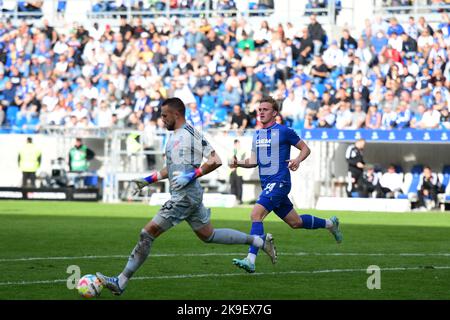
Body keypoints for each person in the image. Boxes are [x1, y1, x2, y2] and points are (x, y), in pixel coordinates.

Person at [96, 98, 276, 295]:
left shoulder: (190, 133)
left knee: (146, 233)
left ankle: (121, 281)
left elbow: (215, 160)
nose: (162, 119)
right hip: (186, 195)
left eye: (164, 115)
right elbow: (171, 168)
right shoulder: (172, 137)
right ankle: (260, 241)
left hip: (184, 197)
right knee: (209, 235)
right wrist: (147, 180)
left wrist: (192, 174)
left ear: (176, 114)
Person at [230, 96, 342, 273]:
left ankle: (251, 259)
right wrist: (239, 163)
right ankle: (330, 224)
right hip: (268, 184)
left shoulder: (284, 131)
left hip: (280, 181)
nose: (261, 113)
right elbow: (253, 161)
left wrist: (297, 160)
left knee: (256, 214)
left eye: (265, 110)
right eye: (259, 110)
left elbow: (305, 148)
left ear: (274, 113)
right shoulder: (257, 134)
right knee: (295, 222)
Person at [229, 139, 245, 204]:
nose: (238, 145)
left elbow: (240, 160)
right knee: (232, 185)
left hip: (239, 171)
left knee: (239, 186)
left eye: (239, 144)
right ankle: (233, 199)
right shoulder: (231, 151)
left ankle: (239, 199)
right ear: (234, 144)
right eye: (237, 144)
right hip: (232, 171)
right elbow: (229, 160)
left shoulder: (242, 151)